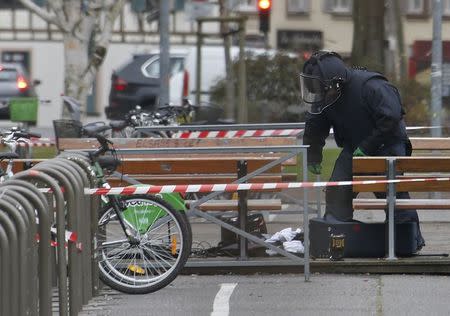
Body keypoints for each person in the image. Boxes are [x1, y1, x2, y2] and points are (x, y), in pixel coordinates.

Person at [300, 50, 425, 249]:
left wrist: (368, 147)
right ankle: (337, 234)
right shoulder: (326, 95)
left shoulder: (371, 86)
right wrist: (313, 154)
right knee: (337, 189)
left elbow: (391, 118)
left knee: (392, 193)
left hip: (387, 145)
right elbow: (316, 124)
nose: (320, 94)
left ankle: (407, 239)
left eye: (322, 89)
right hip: (354, 147)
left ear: (336, 84)